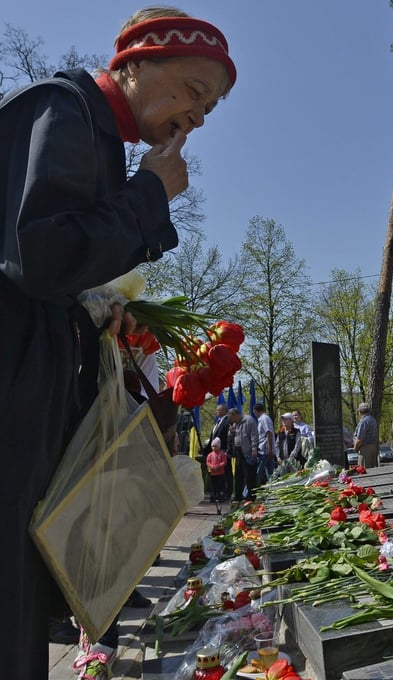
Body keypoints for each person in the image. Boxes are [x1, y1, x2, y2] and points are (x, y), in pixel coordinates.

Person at [0, 5, 236, 679]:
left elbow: (50, 273)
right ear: (135, 62)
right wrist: (149, 195)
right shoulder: (64, 108)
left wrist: (94, 309)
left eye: (208, 111)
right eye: (193, 91)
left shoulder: (94, 136)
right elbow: (39, 255)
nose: (195, 119)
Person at [228, 407, 259, 502]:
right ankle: (238, 495)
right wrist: (231, 432)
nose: (231, 421)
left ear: (236, 415)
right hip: (238, 451)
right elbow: (232, 437)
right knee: (238, 475)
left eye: (232, 419)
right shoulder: (235, 424)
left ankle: (251, 496)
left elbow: (254, 435)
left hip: (248, 451)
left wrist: (254, 449)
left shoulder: (249, 420)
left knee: (249, 475)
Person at [204, 402, 232, 498]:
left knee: (226, 473)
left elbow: (229, 437)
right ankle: (216, 492)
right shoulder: (218, 422)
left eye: (218, 410)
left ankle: (226, 492)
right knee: (215, 475)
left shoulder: (227, 421)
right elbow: (213, 437)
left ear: (224, 411)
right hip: (214, 452)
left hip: (223, 451)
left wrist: (228, 450)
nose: (216, 412)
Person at [253, 402, 276, 485]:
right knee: (270, 473)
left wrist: (270, 449)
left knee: (258, 472)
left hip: (264, 450)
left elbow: (268, 433)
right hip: (265, 450)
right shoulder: (263, 419)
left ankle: (249, 493)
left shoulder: (264, 419)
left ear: (256, 411)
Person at [352, 403, 378, 469]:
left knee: (363, 470)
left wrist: (355, 448)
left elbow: (360, 439)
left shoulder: (363, 422)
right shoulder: (373, 420)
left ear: (360, 412)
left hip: (365, 450)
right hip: (373, 448)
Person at [206, 437, 228, 502]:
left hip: (220, 473)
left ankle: (221, 496)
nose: (214, 448)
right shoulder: (210, 455)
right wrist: (212, 467)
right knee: (213, 485)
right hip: (213, 473)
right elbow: (208, 462)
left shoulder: (222, 454)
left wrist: (218, 466)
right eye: (212, 446)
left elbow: (224, 462)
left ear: (219, 446)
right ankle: (213, 495)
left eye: (215, 446)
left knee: (221, 485)